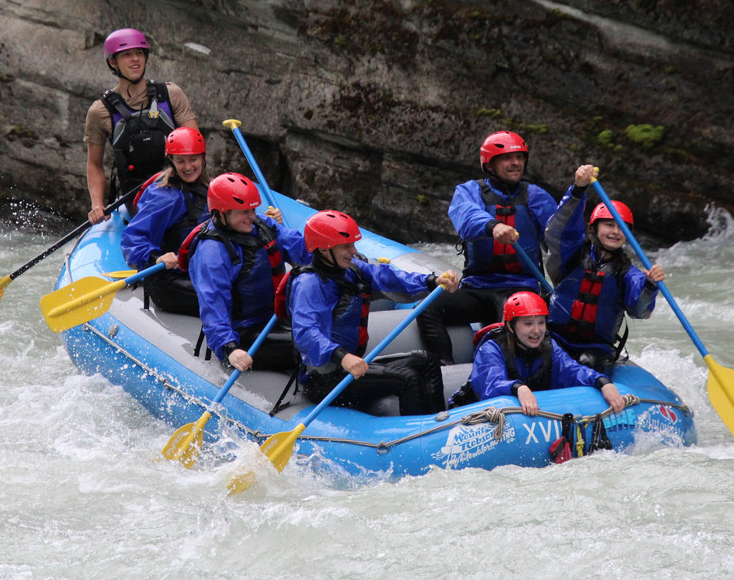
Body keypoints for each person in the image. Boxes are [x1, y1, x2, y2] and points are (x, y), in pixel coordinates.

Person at [286, 210, 459, 416]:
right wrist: (341, 356)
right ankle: (415, 436)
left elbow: (388, 277)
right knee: (407, 377)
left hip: (350, 367)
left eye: (353, 244)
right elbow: (306, 333)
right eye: (346, 246)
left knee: (426, 361)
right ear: (324, 249)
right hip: (324, 378)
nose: (353, 251)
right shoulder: (309, 284)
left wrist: (431, 281)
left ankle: (438, 423)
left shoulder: (353, 271)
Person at [415, 130, 560, 365]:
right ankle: (444, 367)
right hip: (479, 287)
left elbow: (561, 238)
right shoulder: (469, 191)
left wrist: (578, 195)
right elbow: (466, 217)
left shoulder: (536, 196)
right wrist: (492, 226)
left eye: (520, 158)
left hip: (522, 289)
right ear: (489, 164)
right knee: (428, 307)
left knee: (514, 324)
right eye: (507, 158)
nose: (515, 163)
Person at [179, 172, 308, 373]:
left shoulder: (262, 225)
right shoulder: (212, 252)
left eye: (252, 209)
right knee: (312, 346)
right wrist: (229, 348)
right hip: (243, 334)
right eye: (243, 212)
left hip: (276, 317)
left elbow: (299, 247)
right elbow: (213, 304)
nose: (251, 216)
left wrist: (335, 257)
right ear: (221, 213)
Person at [544, 164, 665, 371]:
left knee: (589, 364)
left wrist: (650, 285)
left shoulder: (628, 273)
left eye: (622, 228)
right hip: (555, 336)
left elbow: (640, 311)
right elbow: (558, 230)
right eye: (609, 225)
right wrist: (578, 190)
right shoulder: (572, 254)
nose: (616, 232)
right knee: (536, 358)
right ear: (593, 227)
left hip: (595, 347)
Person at [84, 28, 198, 223]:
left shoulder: (171, 94)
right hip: (137, 193)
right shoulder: (100, 111)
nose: (135, 59)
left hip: (179, 180)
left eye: (139, 53)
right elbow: (95, 164)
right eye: (127, 55)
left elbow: (195, 145)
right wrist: (97, 204)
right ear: (113, 62)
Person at [458, 291, 626, 416]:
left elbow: (572, 370)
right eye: (528, 324)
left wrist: (601, 381)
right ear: (510, 326)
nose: (537, 331)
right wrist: (518, 388)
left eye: (541, 323)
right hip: (474, 416)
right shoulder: (491, 349)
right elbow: (491, 384)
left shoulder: (548, 346)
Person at [120, 127, 210, 316]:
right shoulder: (165, 197)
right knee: (233, 298)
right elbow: (132, 239)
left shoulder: (210, 189)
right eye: (180, 161)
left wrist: (269, 221)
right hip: (167, 280)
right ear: (172, 161)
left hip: (202, 272)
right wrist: (156, 258)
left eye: (193, 159)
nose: (188, 167)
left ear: (203, 158)